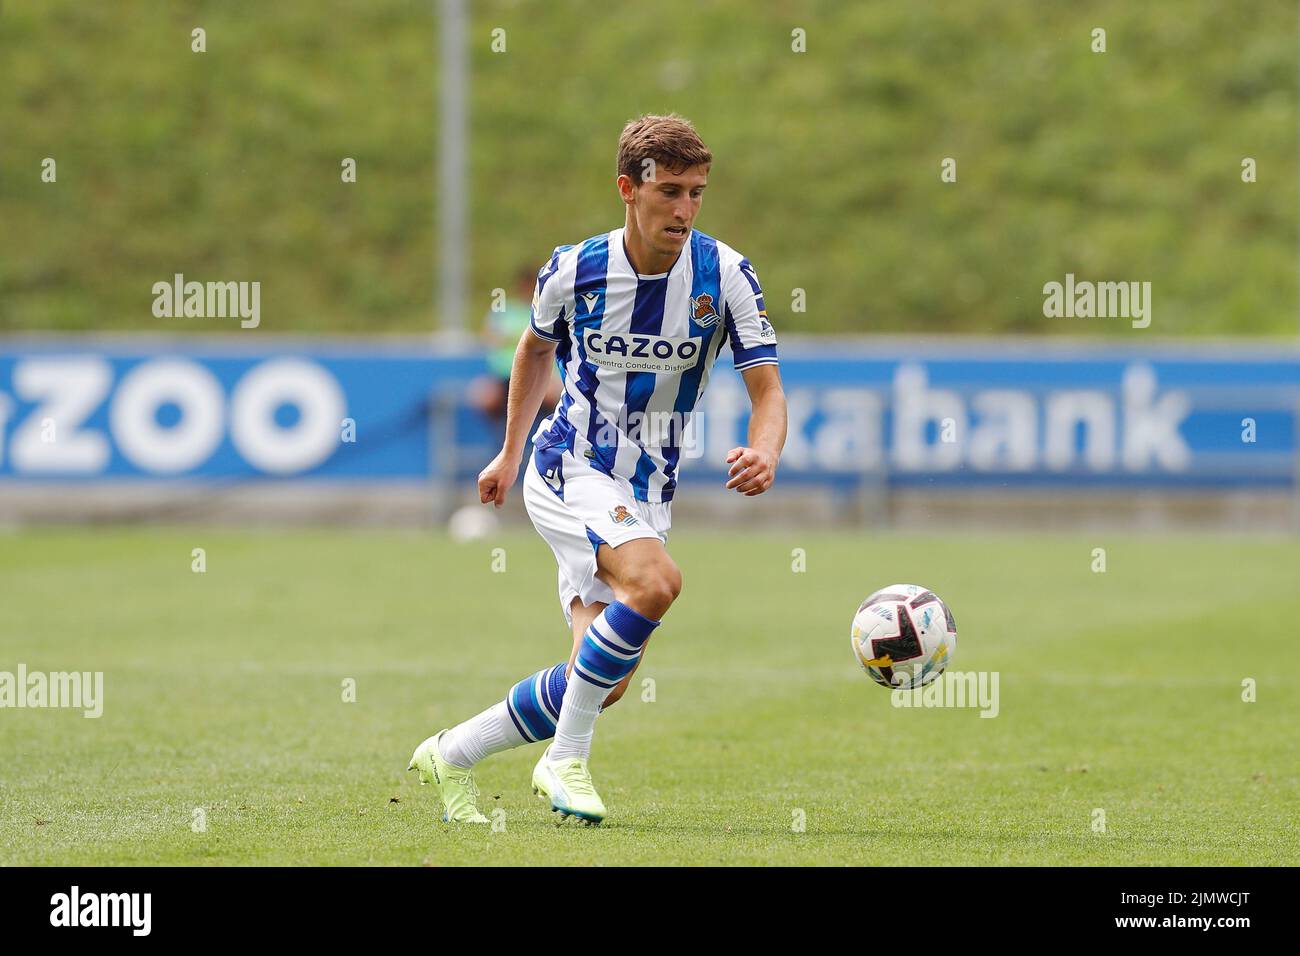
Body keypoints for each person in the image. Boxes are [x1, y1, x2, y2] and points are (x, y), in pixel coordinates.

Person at [409, 114, 788, 825]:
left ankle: (451, 753)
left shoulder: (727, 276)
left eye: (697, 192)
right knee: (657, 582)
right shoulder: (576, 268)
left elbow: (768, 391)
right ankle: (565, 760)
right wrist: (510, 449)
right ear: (628, 188)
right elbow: (531, 350)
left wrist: (765, 448)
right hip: (569, 465)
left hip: (647, 492)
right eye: (670, 190)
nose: (684, 208)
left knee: (602, 678)